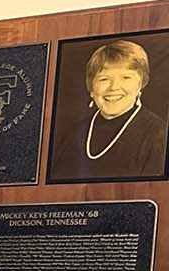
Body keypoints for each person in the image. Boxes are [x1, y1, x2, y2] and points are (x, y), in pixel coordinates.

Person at [49, 39, 166, 182]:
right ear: (91, 88)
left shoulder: (158, 135)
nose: (114, 87)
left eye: (126, 77)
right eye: (104, 79)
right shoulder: (74, 133)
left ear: (140, 85)